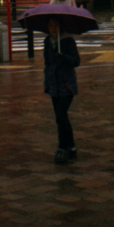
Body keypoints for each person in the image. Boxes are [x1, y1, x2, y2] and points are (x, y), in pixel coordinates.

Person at [43, 16, 80, 164]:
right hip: (53, 84)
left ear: (61, 27)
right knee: (61, 118)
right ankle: (71, 148)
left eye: (56, 25)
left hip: (66, 85)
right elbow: (47, 63)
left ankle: (62, 148)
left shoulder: (68, 41)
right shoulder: (48, 42)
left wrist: (63, 57)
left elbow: (76, 61)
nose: (53, 29)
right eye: (51, 25)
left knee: (61, 116)